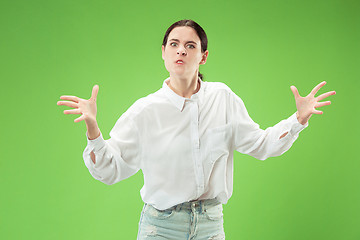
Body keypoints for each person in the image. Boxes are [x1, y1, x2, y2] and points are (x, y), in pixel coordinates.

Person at [57, 19, 336, 240]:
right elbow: (110, 169)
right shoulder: (145, 111)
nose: (181, 50)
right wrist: (93, 128)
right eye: (174, 44)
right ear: (164, 53)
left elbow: (262, 145)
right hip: (161, 228)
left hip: (211, 225)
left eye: (190, 46)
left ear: (203, 56)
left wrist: (297, 120)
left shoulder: (223, 98)